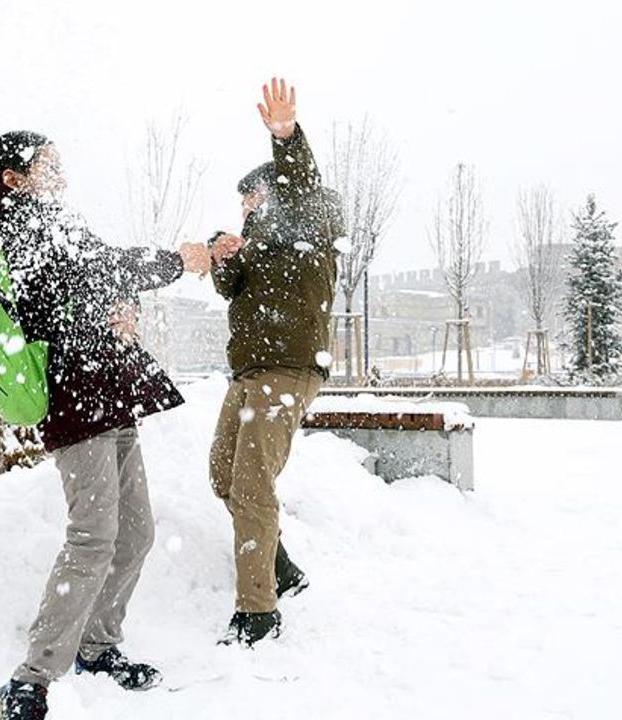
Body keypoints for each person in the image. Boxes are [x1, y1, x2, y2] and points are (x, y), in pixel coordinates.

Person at [0, 132, 212, 719]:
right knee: (93, 535)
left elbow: (92, 282)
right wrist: (176, 262)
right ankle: (30, 680)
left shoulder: (52, 220)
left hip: (108, 390)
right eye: (50, 166)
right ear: (15, 178)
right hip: (74, 398)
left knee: (135, 532)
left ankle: (97, 647)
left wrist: (120, 309)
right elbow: (99, 270)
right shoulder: (18, 223)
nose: (62, 176)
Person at [206, 78, 346, 646]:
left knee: (251, 484)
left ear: (277, 193)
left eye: (254, 198)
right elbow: (229, 288)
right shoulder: (256, 243)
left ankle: (258, 612)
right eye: (243, 202)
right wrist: (222, 254)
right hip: (250, 371)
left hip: (288, 368)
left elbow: (301, 183)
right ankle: (280, 567)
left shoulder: (310, 220)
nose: (247, 208)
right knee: (223, 473)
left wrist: (286, 136)